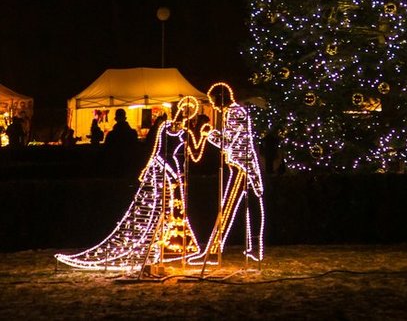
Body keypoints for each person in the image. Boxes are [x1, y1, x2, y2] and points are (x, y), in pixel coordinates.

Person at [55, 96, 203, 272]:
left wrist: (202, 136)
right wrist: (146, 168)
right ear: (178, 110)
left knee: (173, 210)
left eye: (188, 111)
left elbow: (194, 155)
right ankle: (150, 248)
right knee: (153, 209)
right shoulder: (164, 127)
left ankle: (172, 247)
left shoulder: (186, 132)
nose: (184, 113)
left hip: (175, 174)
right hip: (160, 169)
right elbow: (155, 149)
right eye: (183, 109)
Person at [189, 81, 265, 267]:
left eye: (213, 100)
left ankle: (215, 251)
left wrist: (209, 133)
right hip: (242, 166)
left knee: (229, 209)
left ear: (220, 98)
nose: (213, 104)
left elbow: (230, 141)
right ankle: (251, 246)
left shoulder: (235, 113)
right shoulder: (235, 112)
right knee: (247, 206)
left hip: (242, 167)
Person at [104, 108, 140, 175]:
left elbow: (107, 150)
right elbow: (135, 148)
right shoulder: (132, 133)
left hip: (114, 165)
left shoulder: (111, 135)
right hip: (129, 165)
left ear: (115, 119)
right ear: (125, 118)